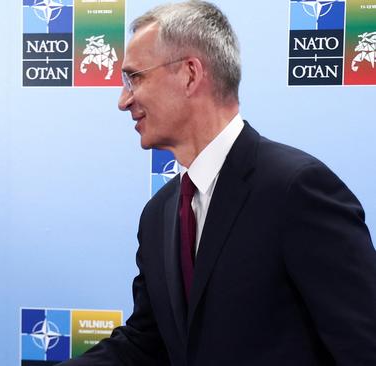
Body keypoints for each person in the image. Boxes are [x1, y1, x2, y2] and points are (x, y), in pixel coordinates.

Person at [59, 1, 376, 365]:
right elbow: (147, 344)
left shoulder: (296, 190)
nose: (123, 100)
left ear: (191, 74)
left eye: (136, 77)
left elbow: (364, 346)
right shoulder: (158, 214)